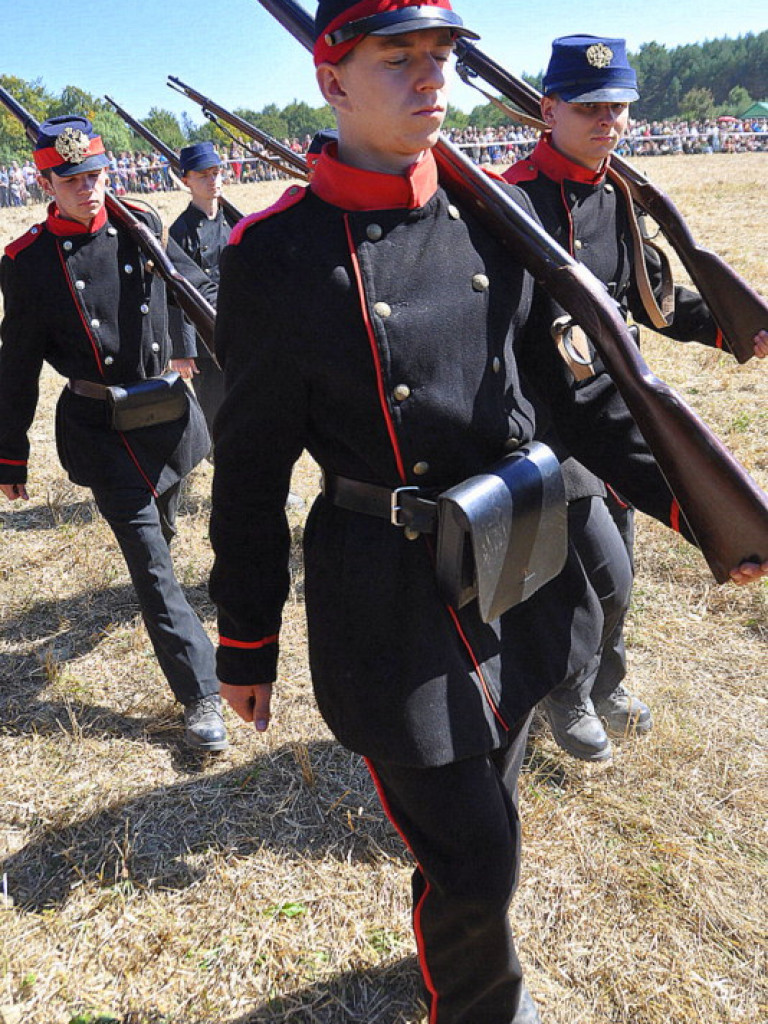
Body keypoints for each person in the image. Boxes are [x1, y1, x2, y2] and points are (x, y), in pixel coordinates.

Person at [207, 4, 768, 1022]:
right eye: (398, 59)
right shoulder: (272, 254)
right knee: (474, 856)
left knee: (491, 818)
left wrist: (709, 515)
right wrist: (245, 638)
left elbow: (582, 402)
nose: (429, 77)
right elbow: (248, 468)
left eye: (439, 57)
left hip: (517, 562)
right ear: (332, 80)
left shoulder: (492, 222)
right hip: (386, 600)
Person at [503, 36, 768, 761]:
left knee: (619, 580)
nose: (608, 120)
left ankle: (603, 682)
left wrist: (739, 330)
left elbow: (650, 300)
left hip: (619, 418)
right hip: (546, 430)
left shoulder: (618, 192)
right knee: (599, 580)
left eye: (618, 105)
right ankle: (566, 691)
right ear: (548, 109)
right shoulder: (509, 201)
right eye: (591, 106)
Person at [0, 115, 229, 753]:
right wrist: (9, 454)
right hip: (102, 427)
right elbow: (15, 361)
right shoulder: (27, 262)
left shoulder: (142, 223)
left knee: (166, 526)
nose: (89, 189)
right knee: (153, 565)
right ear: (45, 180)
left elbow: (185, 289)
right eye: (71, 179)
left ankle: (167, 580)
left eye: (96, 175)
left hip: (167, 415)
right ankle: (201, 693)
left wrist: (197, 343)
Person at [168, 142, 238, 436]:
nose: (213, 181)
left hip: (243, 330)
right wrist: (183, 351)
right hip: (207, 338)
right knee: (217, 416)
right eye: (203, 176)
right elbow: (177, 294)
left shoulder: (236, 221)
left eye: (216, 172)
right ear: (187, 182)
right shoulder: (179, 232)